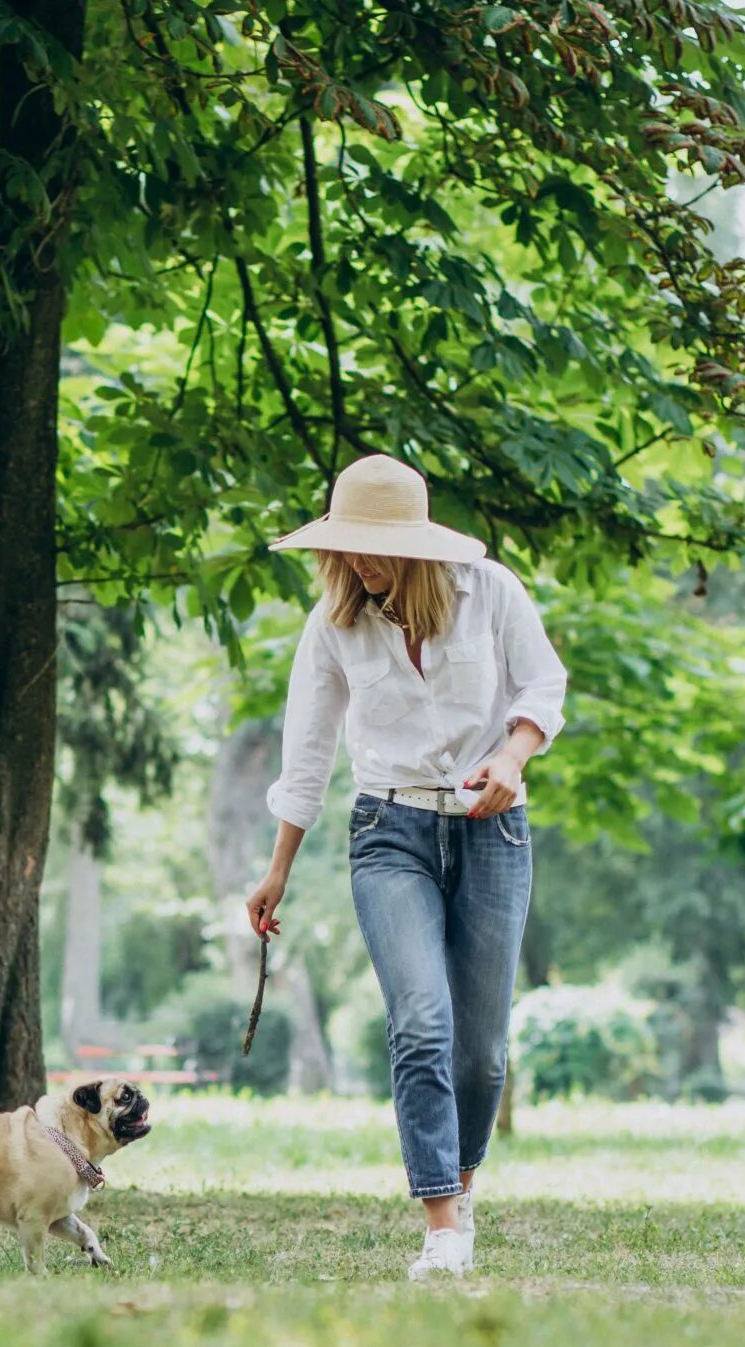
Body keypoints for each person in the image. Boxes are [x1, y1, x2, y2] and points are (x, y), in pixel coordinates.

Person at [245, 454, 567, 1279]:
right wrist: (279, 865)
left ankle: (461, 1189)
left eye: (374, 544)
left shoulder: (488, 591)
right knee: (421, 1020)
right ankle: (441, 1222)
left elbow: (543, 686)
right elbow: (307, 750)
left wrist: (512, 758)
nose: (358, 560)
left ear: (418, 546)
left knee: (481, 1048)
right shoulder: (334, 624)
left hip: (492, 830)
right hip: (389, 830)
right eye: (347, 543)